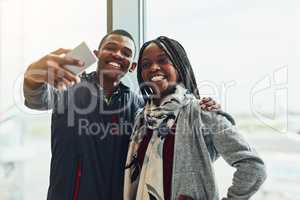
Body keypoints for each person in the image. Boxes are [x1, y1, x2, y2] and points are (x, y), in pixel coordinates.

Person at [23, 30, 219, 200]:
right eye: (111, 48)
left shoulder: (140, 107)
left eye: (126, 53)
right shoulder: (67, 89)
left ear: (132, 67)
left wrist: (205, 120)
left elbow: (176, 150)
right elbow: (36, 99)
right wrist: (34, 74)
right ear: (97, 54)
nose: (117, 55)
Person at [124, 36, 267, 200]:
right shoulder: (141, 119)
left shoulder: (202, 112)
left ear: (179, 66)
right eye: (146, 64)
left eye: (163, 60)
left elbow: (253, 167)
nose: (154, 68)